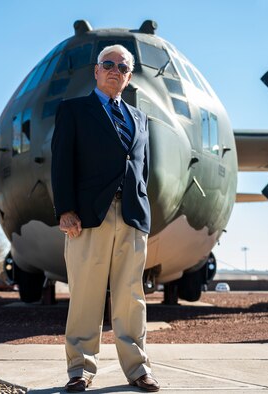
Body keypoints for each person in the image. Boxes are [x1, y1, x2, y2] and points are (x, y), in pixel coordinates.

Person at [51, 44, 159, 392]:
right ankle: (80, 369)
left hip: (131, 216)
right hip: (87, 217)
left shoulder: (141, 119)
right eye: (108, 64)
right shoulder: (73, 111)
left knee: (132, 296)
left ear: (129, 76)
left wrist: (144, 212)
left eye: (122, 66)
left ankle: (138, 368)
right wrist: (65, 210)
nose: (115, 70)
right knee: (86, 294)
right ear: (96, 71)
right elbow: (61, 163)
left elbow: (143, 170)